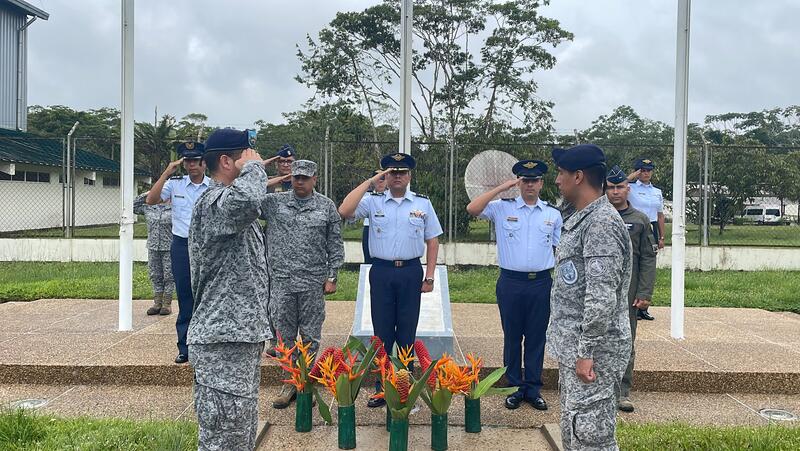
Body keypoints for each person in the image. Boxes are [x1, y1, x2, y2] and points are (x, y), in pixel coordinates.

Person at [187, 128, 272, 451]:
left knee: (239, 433)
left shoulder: (227, 206)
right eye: (246, 156)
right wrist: (254, 168)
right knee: (223, 438)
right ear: (226, 161)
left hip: (238, 337)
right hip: (221, 340)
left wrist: (249, 167)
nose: (255, 162)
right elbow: (248, 200)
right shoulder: (214, 203)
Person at [338, 152, 442, 408]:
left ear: (409, 175)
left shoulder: (422, 204)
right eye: (391, 172)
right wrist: (371, 181)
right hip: (382, 271)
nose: (397, 176)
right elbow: (344, 209)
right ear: (385, 174)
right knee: (381, 333)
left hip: (410, 272)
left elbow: (432, 240)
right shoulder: (373, 202)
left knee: (407, 332)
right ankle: (383, 387)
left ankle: (403, 387)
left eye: (402, 172)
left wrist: (429, 275)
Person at [547, 144, 632, 451]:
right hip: (577, 348)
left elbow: (601, 296)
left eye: (561, 173)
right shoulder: (583, 217)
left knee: (592, 434)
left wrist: (586, 353)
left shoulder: (601, 224)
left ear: (578, 176)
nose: (557, 180)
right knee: (575, 425)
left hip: (596, 352)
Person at [466, 159, 562, 411]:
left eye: (534, 180)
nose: (529, 185)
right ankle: (514, 388)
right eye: (524, 180)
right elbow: (472, 209)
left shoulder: (552, 214)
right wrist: (501, 188)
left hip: (541, 282)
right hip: (511, 282)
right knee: (512, 337)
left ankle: (533, 389)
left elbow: (559, 249)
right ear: (519, 182)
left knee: (536, 338)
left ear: (541, 183)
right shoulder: (501, 208)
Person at [263, 159, 345, 409]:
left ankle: (304, 384)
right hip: (282, 281)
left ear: (314, 179)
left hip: (312, 282)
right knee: (285, 337)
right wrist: (275, 180)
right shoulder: (274, 203)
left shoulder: (326, 206)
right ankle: (289, 383)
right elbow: (248, 199)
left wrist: (332, 276)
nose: (299, 181)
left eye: (304, 177)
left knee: (310, 336)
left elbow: (335, 244)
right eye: (296, 177)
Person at [146, 141, 210, 364]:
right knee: (185, 296)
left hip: (207, 246)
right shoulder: (175, 185)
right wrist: (166, 172)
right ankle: (185, 346)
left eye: (195, 161)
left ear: (204, 163)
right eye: (187, 161)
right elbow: (151, 199)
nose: (191, 165)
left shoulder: (213, 187)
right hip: (182, 245)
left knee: (207, 296)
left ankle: (206, 345)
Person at [606, 166, 656, 413]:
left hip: (628, 293)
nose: (616, 192)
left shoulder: (640, 220)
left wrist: (645, 293)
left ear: (628, 189)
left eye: (620, 187)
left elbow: (648, 257)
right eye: (611, 187)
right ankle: (599, 388)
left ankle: (622, 392)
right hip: (600, 293)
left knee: (625, 341)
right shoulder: (597, 217)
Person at [626, 158, 663, 321]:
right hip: (634, 228)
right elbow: (612, 186)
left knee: (647, 267)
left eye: (649, 170)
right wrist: (631, 177)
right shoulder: (630, 188)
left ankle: (643, 307)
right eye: (642, 170)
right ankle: (631, 304)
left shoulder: (657, 192)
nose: (646, 173)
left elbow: (660, 215)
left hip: (651, 228)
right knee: (633, 266)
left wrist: (661, 236)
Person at [133, 192, 174, 316]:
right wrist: (148, 193)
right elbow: (134, 206)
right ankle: (157, 303)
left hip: (169, 247)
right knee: (155, 274)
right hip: (153, 246)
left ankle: (167, 304)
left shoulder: (175, 208)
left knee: (169, 275)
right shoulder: (149, 207)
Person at [362, 170, 387, 264]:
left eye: (383, 179)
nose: (380, 182)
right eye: (377, 179)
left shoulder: (392, 196)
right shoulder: (366, 195)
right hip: (369, 228)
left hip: (386, 228)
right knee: (368, 258)